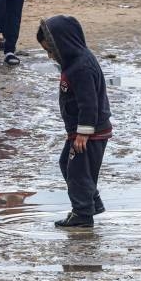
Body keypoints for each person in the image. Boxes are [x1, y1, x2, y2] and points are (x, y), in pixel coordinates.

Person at [37, 16, 112, 229]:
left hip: (90, 132)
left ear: (64, 44)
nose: (51, 56)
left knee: (78, 172)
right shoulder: (74, 63)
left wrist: (83, 133)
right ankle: (91, 202)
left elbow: (89, 103)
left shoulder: (81, 67)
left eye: (51, 50)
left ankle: (82, 214)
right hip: (80, 131)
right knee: (68, 165)